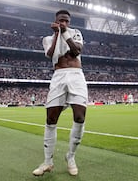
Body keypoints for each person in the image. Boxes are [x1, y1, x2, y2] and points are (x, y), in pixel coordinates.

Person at [32, 10, 88, 176]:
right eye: (61, 20)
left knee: (80, 117)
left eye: (66, 20)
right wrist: (57, 34)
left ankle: (70, 157)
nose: (64, 22)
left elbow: (76, 51)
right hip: (58, 76)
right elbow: (50, 55)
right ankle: (47, 162)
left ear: (69, 22)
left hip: (76, 75)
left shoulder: (75, 33)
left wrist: (64, 33)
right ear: (55, 21)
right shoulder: (47, 39)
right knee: (51, 119)